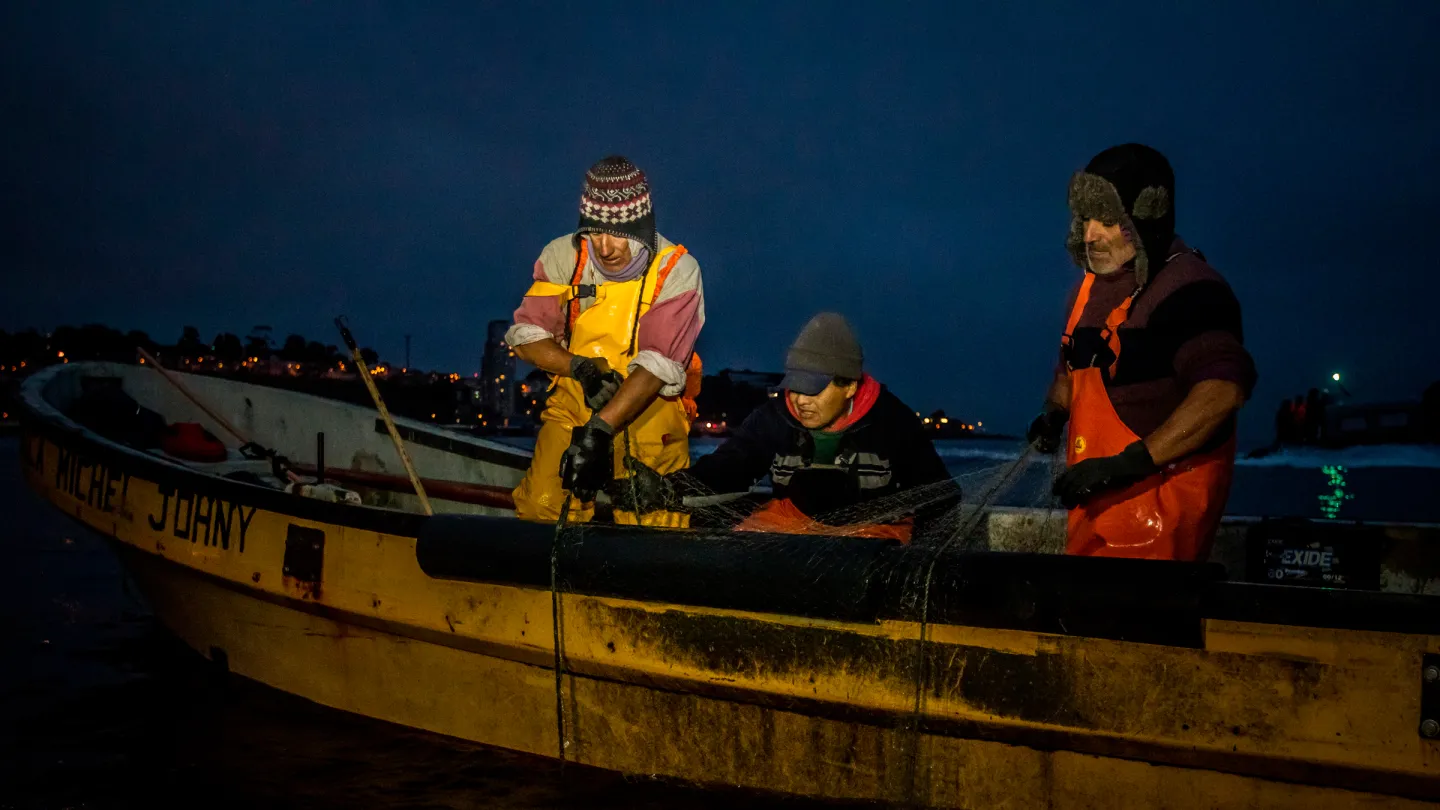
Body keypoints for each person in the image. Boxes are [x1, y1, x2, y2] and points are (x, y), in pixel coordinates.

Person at [1027, 143, 1256, 561]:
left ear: (1148, 215)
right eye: (1085, 219)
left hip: (1160, 519)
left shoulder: (1190, 290)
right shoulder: (1087, 289)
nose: (1091, 233)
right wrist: (1053, 412)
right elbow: (1072, 368)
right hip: (1092, 504)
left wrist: (1129, 464)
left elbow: (1222, 393)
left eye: (1109, 220)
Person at [613, 313, 959, 543]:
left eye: (815, 388)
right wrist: (665, 489)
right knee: (737, 554)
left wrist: (924, 560)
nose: (801, 400)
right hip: (792, 521)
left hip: (873, 529)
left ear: (850, 386)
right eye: (794, 385)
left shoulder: (892, 421)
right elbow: (726, 469)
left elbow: (940, 497)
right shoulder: (774, 417)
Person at [505, 156, 704, 527]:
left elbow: (658, 364)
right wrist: (578, 368)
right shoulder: (562, 256)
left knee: (653, 522)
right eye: (595, 233)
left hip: (649, 411)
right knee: (542, 508)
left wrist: (600, 430)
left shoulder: (677, 270)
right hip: (575, 404)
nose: (606, 247)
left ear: (641, 228)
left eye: (618, 235)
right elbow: (527, 336)